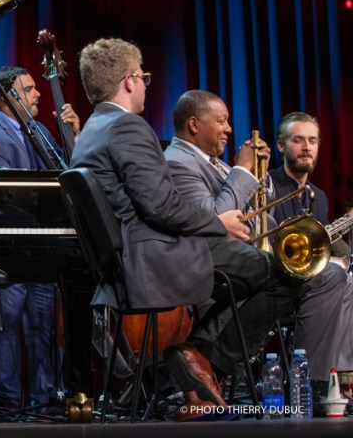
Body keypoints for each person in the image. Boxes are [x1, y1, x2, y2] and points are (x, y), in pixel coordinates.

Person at [71, 38, 301, 421]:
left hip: (129, 260)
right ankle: (205, 357)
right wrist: (217, 223)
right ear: (128, 81)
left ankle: (196, 363)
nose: (146, 85)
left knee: (251, 270)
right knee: (287, 271)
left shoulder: (92, 130)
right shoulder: (127, 127)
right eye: (143, 77)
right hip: (156, 257)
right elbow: (160, 206)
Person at [164, 93, 347, 385]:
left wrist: (260, 177)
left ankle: (314, 380)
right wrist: (242, 170)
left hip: (244, 255)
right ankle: (215, 358)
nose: (228, 129)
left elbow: (258, 214)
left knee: (331, 274)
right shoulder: (178, 162)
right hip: (205, 261)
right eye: (221, 121)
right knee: (293, 274)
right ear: (194, 124)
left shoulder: (212, 163)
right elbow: (212, 220)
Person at [0, 66, 79, 412]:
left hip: (45, 247)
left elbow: (69, 174)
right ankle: (4, 401)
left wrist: (73, 136)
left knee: (43, 323)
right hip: (11, 249)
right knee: (7, 323)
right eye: (30, 89)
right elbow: (4, 192)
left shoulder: (40, 131)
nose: (38, 94)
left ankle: (46, 397)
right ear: (7, 96)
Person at [268, 111, 353, 374]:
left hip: (313, 282)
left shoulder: (319, 196)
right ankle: (312, 378)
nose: (307, 147)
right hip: (277, 281)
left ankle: (342, 376)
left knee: (348, 278)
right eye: (298, 140)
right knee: (336, 277)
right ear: (281, 145)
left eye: (312, 140)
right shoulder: (267, 185)